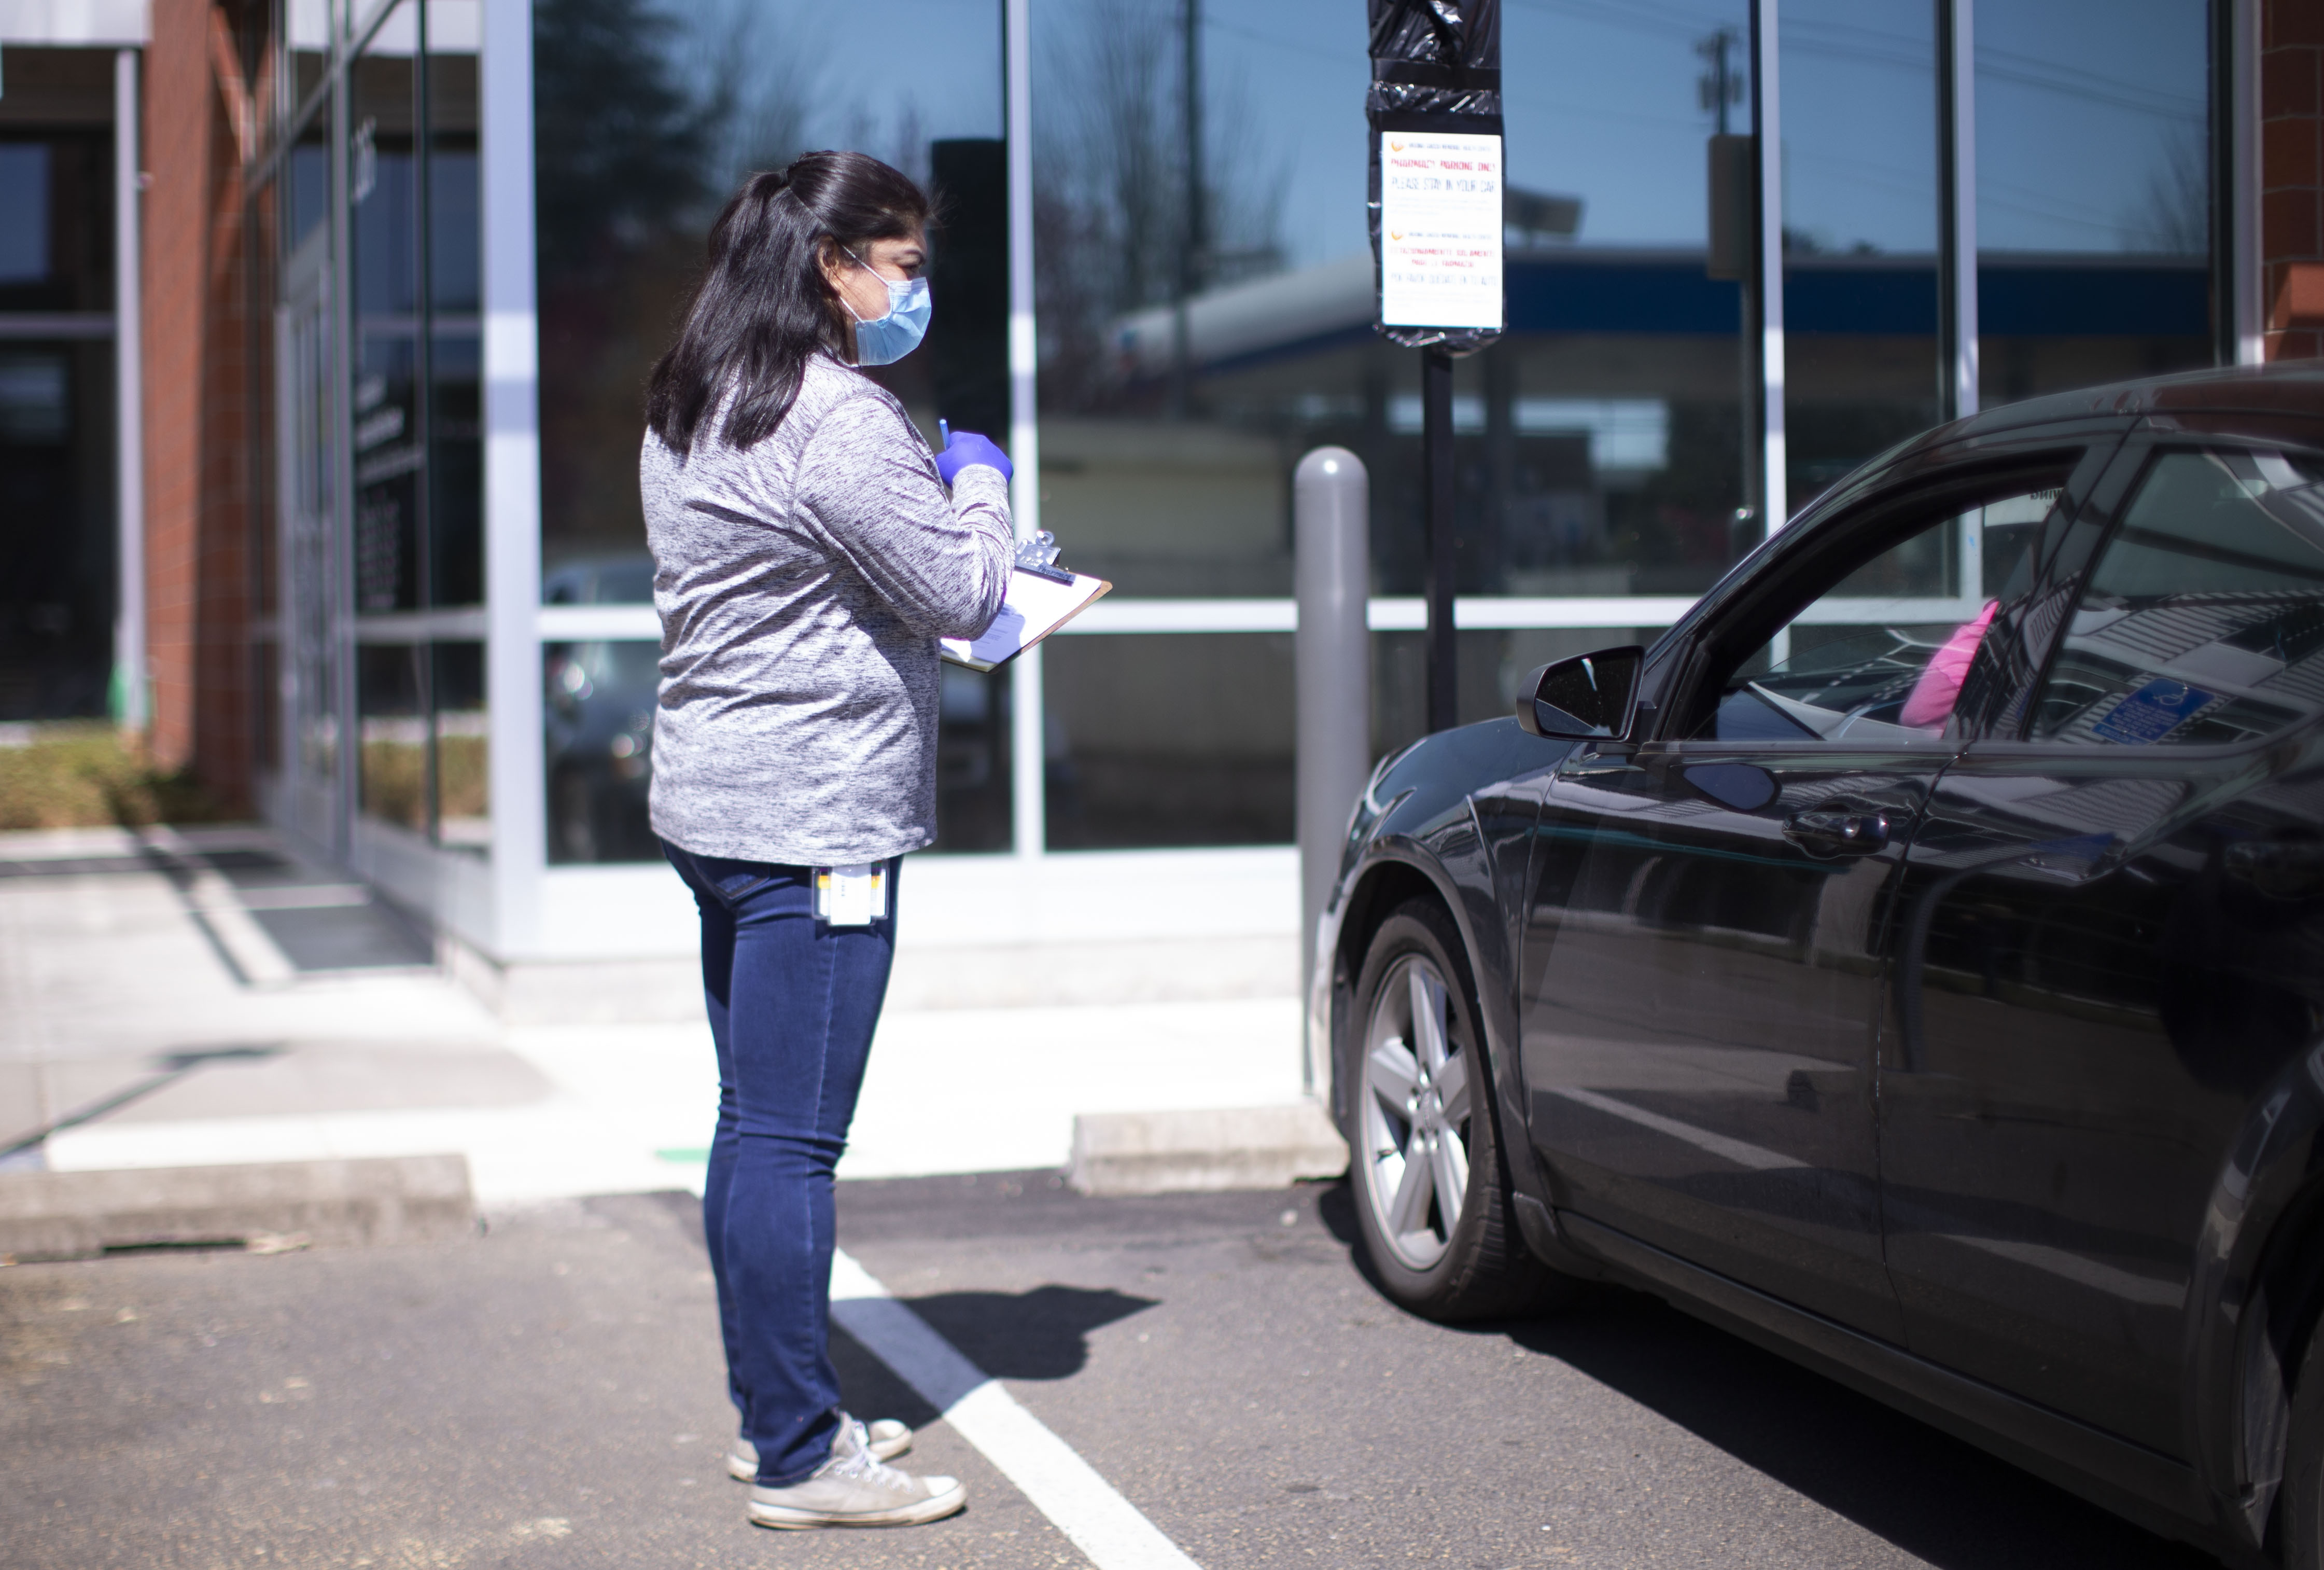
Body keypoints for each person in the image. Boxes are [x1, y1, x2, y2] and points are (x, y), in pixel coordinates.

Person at [639, 150, 1015, 1531]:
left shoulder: (690, 397)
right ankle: (803, 1457)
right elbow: (965, 593)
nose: (916, 287)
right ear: (828, 265)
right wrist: (975, 478)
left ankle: (773, 1414)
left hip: (716, 810)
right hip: (818, 828)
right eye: (903, 263)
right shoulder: (838, 415)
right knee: (793, 1142)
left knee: (750, 1125)